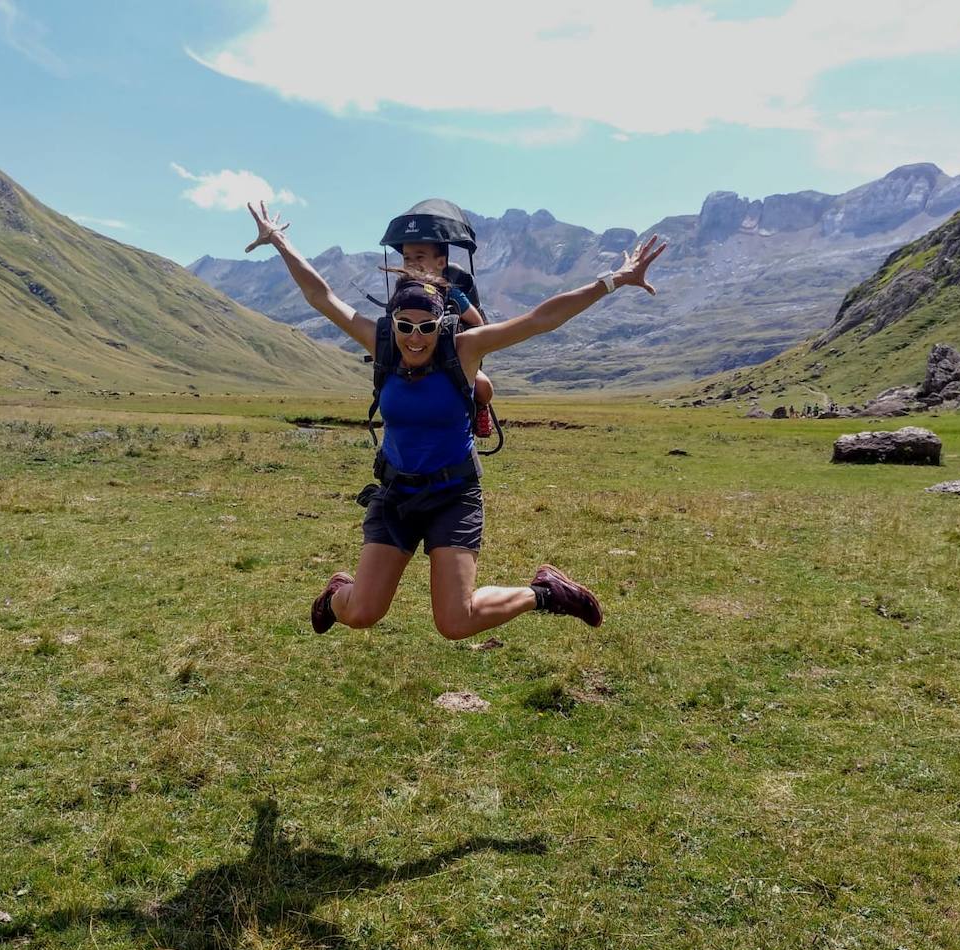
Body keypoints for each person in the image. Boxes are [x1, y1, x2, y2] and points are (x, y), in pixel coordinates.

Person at [245, 200, 665, 641]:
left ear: (440, 324)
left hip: (453, 494)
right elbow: (320, 296)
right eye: (404, 326)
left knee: (456, 622)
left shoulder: (463, 349)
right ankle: (337, 594)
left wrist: (613, 280)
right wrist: (279, 240)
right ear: (393, 322)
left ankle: (545, 592)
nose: (414, 337)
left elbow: (542, 318)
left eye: (426, 327)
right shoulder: (382, 339)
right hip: (396, 494)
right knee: (363, 612)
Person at [399, 240, 495, 436]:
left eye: (419, 257)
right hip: (413, 352)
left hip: (452, 354)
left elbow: (476, 321)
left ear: (441, 262)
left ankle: (481, 408)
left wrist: (462, 343)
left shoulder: (450, 291)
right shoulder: (403, 293)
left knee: (483, 386)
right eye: (406, 258)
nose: (411, 263)